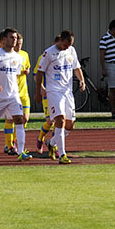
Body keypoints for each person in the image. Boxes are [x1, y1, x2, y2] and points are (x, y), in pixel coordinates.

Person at [36, 30, 85, 165]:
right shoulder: (49, 53)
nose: (67, 48)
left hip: (67, 92)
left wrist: (82, 80)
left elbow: (76, 67)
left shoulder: (71, 51)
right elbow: (39, 72)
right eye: (65, 45)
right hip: (54, 91)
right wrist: (38, 90)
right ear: (60, 41)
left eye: (70, 45)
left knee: (70, 125)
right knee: (60, 120)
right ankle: (62, 155)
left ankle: (51, 143)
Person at [0, 28, 31, 162]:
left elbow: (14, 75)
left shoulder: (18, 57)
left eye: (15, 38)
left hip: (13, 96)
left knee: (19, 120)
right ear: (4, 40)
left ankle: (21, 151)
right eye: (11, 37)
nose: (14, 40)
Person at [2, 33, 31, 155]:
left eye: (20, 44)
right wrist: (19, 72)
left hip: (23, 92)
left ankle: (15, 141)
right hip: (12, 93)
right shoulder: (8, 56)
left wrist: (27, 71)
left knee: (24, 119)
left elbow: (28, 67)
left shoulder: (24, 55)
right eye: (17, 44)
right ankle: (9, 145)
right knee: (10, 120)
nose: (19, 46)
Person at [33, 35, 60, 159]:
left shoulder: (65, 55)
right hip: (48, 94)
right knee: (50, 121)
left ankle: (57, 146)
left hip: (59, 93)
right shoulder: (45, 56)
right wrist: (41, 87)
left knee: (59, 121)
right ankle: (40, 138)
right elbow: (36, 74)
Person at [99, 19, 115, 119]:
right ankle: (113, 112)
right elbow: (102, 55)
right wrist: (103, 68)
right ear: (113, 28)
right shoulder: (104, 39)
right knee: (112, 89)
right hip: (111, 65)